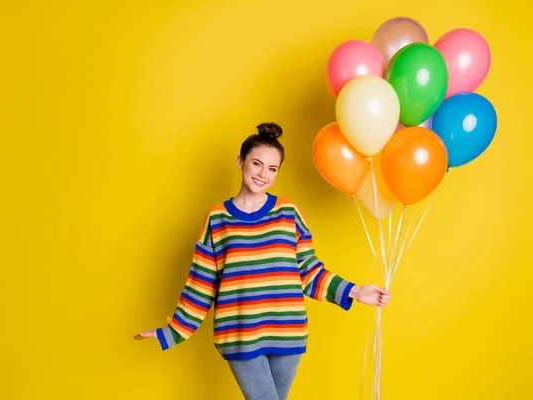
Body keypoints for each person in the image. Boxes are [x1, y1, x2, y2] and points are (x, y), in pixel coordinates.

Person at [134, 122, 391, 400]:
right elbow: (202, 284)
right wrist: (172, 332)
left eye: (272, 169)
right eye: (257, 164)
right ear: (240, 161)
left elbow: (309, 271)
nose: (263, 174)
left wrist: (355, 291)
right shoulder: (217, 219)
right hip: (239, 333)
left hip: (288, 333)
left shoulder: (289, 213)